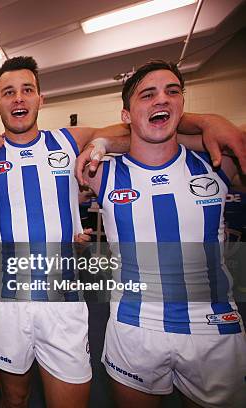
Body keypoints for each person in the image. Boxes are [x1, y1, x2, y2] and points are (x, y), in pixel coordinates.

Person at [0, 56, 246, 408]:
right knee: (13, 399)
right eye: (8, 92)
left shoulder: (69, 141)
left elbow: (144, 124)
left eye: (27, 89)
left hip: (63, 296)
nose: (18, 98)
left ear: (40, 98)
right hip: (9, 297)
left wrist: (207, 120)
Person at [80, 60, 245, 408]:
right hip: (134, 326)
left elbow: (237, 136)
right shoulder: (101, 172)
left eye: (172, 92)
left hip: (213, 326)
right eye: (148, 94)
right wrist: (104, 139)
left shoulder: (217, 162)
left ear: (183, 105)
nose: (162, 101)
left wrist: (208, 121)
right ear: (126, 114)